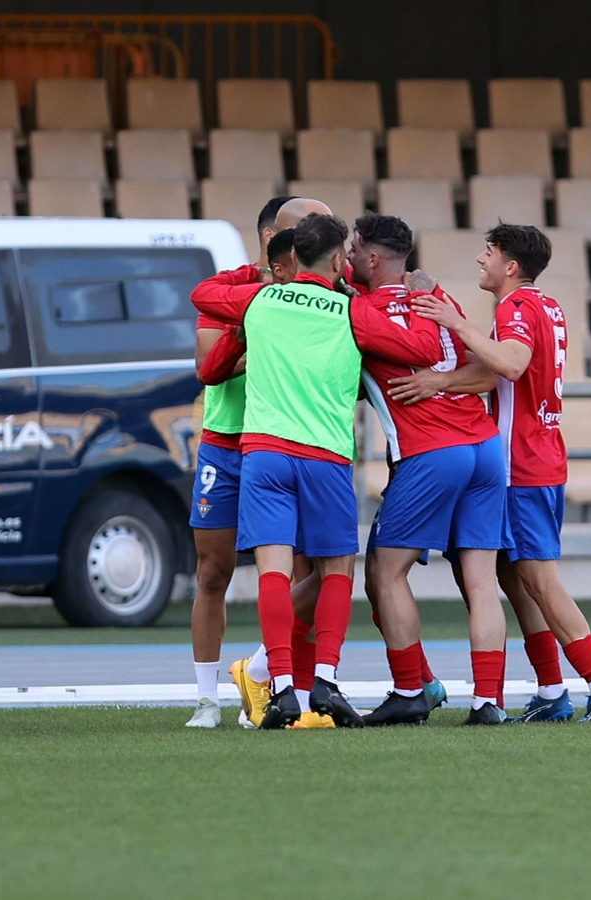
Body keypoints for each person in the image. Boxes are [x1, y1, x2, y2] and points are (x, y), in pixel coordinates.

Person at [191, 214, 448, 729]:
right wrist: (423, 304)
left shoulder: (260, 301)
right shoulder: (352, 310)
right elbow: (422, 350)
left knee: (273, 573)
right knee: (336, 571)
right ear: (337, 262)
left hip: (263, 453)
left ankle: (282, 687)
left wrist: (256, 272)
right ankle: (324, 678)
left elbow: (203, 295)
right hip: (326, 457)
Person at [396, 224, 591, 723]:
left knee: (541, 582)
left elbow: (514, 363)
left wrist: (457, 325)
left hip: (522, 463)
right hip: (535, 457)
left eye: (489, 252)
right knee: (513, 578)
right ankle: (550, 691)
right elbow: (498, 370)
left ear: (511, 266)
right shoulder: (546, 305)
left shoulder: (515, 308)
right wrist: (441, 381)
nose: (481, 260)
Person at [346, 214, 510, 726]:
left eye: (353, 249)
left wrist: (431, 382)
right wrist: (443, 378)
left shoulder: (361, 311)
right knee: (481, 582)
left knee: (382, 572)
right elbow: (487, 370)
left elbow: (415, 349)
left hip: (431, 451)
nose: (346, 256)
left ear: (373, 259)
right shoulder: (441, 300)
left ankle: (411, 689)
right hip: (485, 447)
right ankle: (488, 702)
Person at [185, 195, 290, 729]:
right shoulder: (229, 288)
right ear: (271, 236)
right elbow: (209, 362)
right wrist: (272, 340)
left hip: (285, 441)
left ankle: (270, 675)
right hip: (226, 443)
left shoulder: (323, 292)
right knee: (213, 571)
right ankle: (207, 700)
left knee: (313, 570)